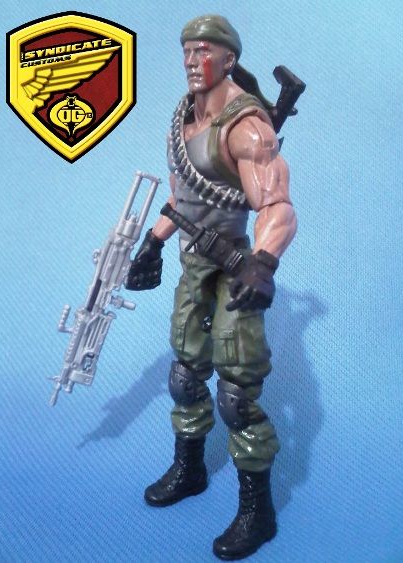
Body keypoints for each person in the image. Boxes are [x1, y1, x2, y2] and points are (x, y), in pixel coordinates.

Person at [126, 14, 297, 560]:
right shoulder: (183, 120)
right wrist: (152, 243)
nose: (192, 61)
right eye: (187, 51)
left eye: (204, 51)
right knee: (184, 373)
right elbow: (184, 198)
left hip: (235, 266)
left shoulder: (246, 128)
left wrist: (262, 264)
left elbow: (278, 207)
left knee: (236, 395)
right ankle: (191, 468)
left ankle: (257, 510)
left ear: (228, 59)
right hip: (194, 261)